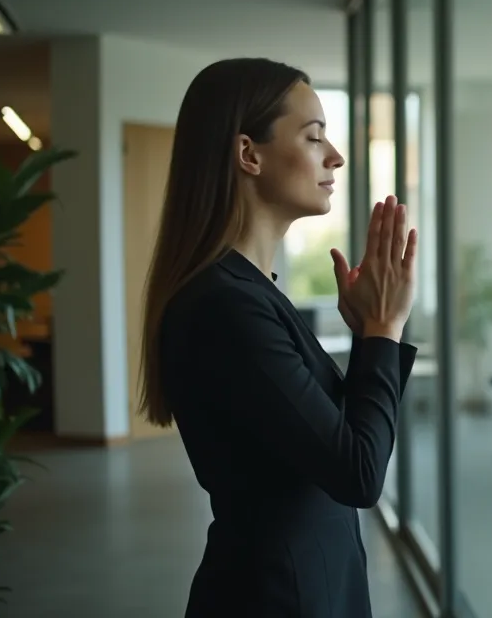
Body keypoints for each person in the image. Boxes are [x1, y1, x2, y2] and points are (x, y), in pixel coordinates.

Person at [136, 58, 419, 618]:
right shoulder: (226, 306)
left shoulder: (247, 291)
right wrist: (385, 330)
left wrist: (370, 334)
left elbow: (329, 440)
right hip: (279, 597)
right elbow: (357, 473)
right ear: (249, 154)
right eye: (314, 137)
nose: (334, 156)